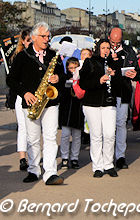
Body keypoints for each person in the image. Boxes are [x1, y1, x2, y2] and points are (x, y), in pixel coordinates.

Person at [7, 22, 66, 185]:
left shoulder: (54, 55)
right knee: (33, 139)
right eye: (44, 36)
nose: (47, 39)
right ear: (33, 38)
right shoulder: (22, 56)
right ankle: (33, 169)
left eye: (48, 36)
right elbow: (10, 80)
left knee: (50, 137)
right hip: (31, 103)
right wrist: (24, 93)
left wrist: (58, 78)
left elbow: (63, 75)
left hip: (51, 103)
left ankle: (50, 172)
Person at [79, 39, 122, 178]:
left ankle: (108, 164)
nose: (106, 50)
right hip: (92, 103)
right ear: (98, 49)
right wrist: (99, 81)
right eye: (103, 48)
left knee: (109, 134)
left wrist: (115, 77)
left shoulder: (114, 63)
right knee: (96, 135)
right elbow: (83, 84)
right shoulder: (89, 62)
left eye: (108, 48)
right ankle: (97, 166)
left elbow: (121, 84)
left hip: (109, 103)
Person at [109, 27, 139, 169]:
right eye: (112, 42)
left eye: (117, 42)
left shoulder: (129, 51)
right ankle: (107, 156)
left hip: (123, 91)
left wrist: (134, 73)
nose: (114, 45)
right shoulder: (103, 48)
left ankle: (120, 156)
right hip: (107, 92)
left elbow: (136, 68)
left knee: (121, 124)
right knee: (108, 126)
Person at [6, 29, 31, 171]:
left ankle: (33, 155)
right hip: (21, 96)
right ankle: (23, 158)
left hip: (36, 96)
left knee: (34, 128)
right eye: (28, 41)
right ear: (23, 41)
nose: (30, 43)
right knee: (23, 127)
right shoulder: (18, 57)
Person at [59, 57, 85, 169]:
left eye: (75, 67)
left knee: (77, 135)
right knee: (65, 135)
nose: (73, 70)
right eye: (71, 68)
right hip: (66, 109)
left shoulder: (82, 79)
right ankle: (64, 157)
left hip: (77, 109)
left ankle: (74, 158)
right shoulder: (64, 78)